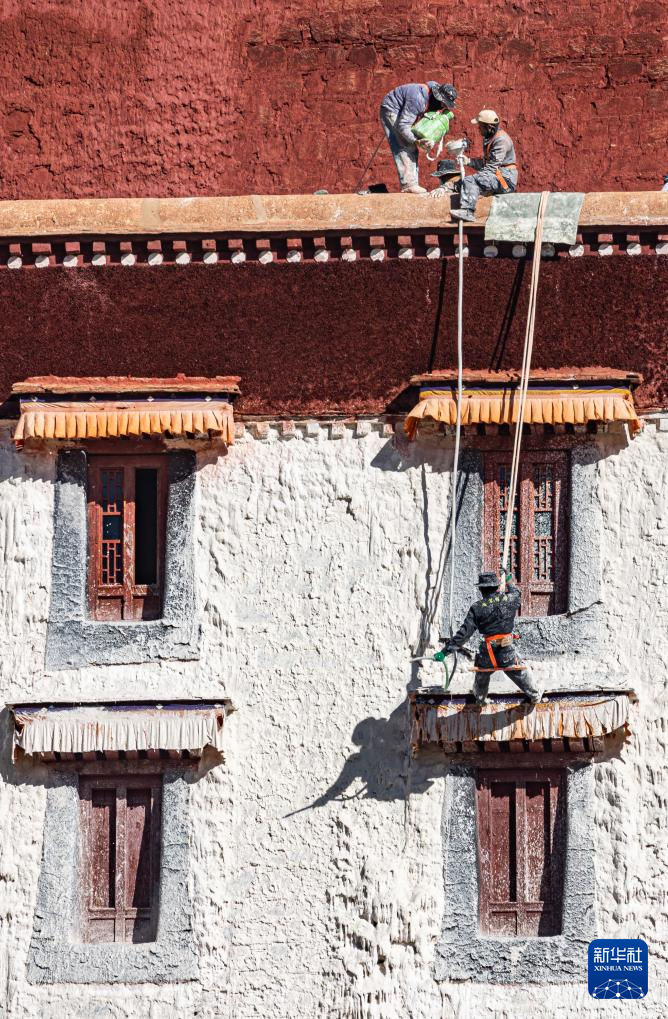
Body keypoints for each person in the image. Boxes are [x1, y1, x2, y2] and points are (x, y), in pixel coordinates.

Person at [439, 571, 541, 705]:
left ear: (481, 589)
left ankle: (480, 698)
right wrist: (509, 580)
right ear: (497, 587)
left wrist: (444, 652)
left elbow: (463, 634)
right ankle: (534, 695)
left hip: (487, 652)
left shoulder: (477, 608)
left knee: (482, 673)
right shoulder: (509, 600)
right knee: (517, 669)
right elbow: (516, 593)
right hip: (506, 649)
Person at [379, 82, 457, 194]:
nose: (443, 107)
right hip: (392, 108)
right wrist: (416, 141)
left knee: (412, 147)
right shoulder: (418, 99)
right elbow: (403, 125)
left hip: (406, 110)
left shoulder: (433, 94)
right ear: (437, 97)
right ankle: (409, 185)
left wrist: (428, 139)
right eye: (443, 104)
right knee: (405, 145)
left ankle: (412, 183)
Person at [450, 109, 517, 222]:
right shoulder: (490, 138)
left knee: (471, 180)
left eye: (480, 126)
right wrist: (469, 161)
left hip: (505, 181)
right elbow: (488, 164)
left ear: (489, 127)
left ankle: (468, 212)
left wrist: (474, 180)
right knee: (466, 182)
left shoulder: (501, 140)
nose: (478, 128)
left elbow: (491, 168)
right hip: (498, 175)